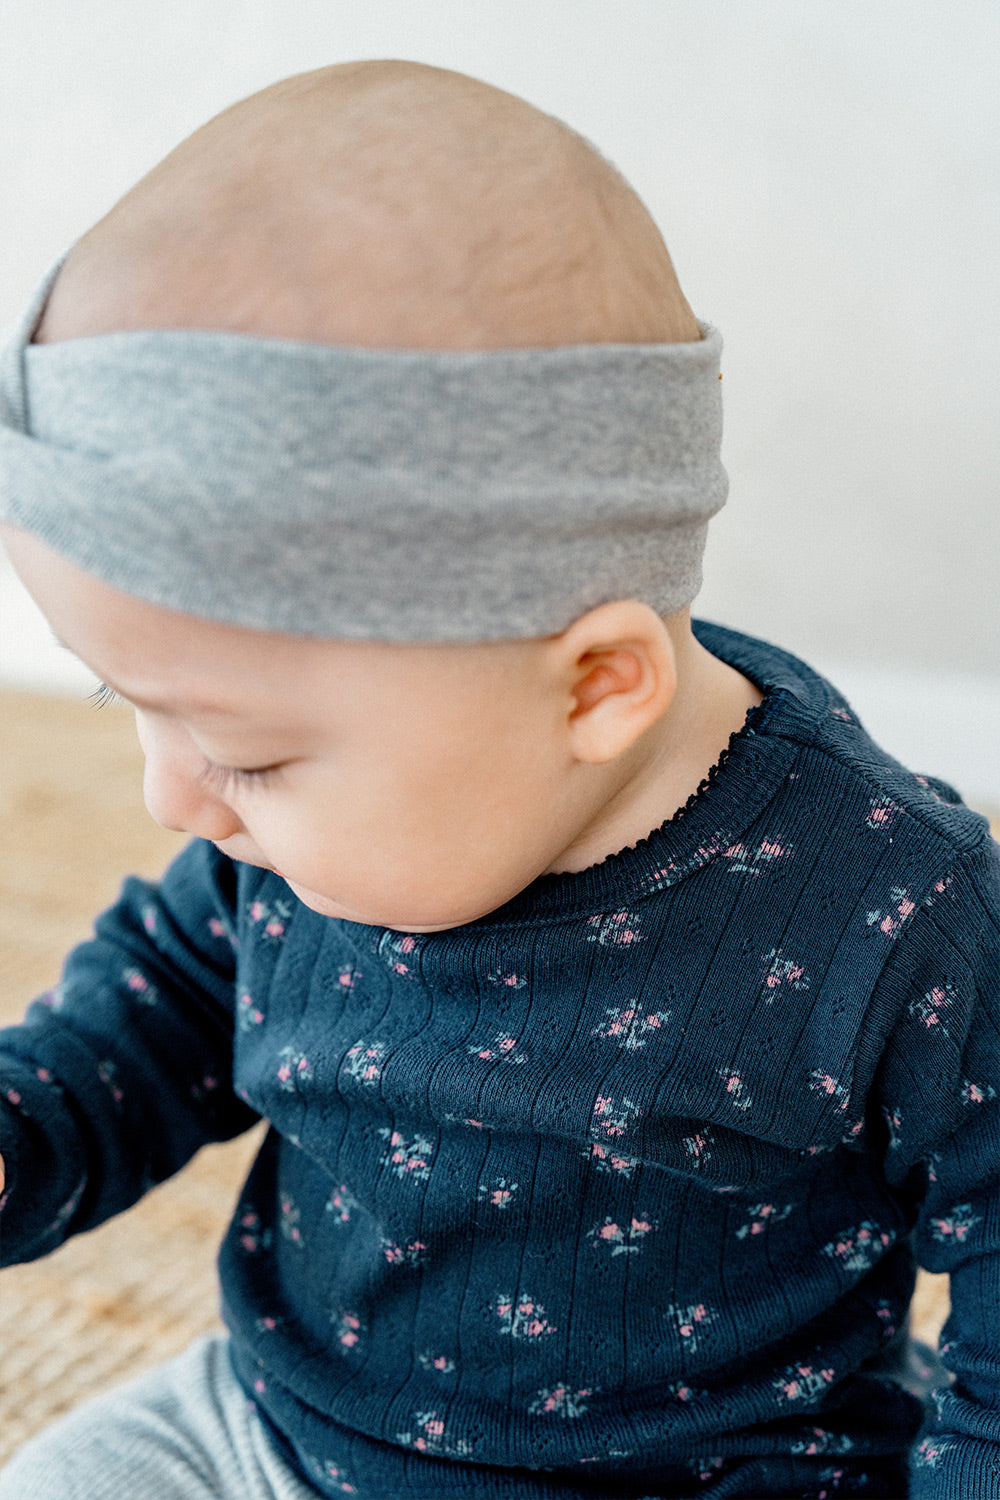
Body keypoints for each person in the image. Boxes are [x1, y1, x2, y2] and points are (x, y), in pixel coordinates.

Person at [0, 59, 995, 1500]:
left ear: (595, 686)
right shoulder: (284, 848)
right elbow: (154, 1013)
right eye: (130, 707)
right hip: (277, 1427)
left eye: (251, 752)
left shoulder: (889, 906)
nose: (177, 800)